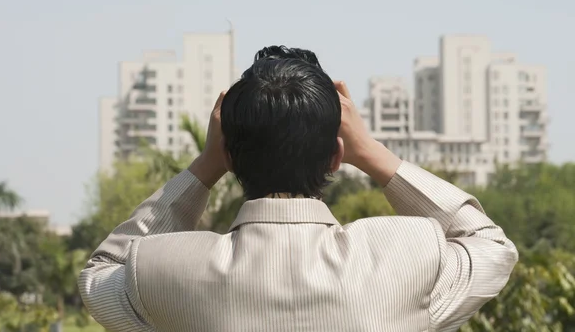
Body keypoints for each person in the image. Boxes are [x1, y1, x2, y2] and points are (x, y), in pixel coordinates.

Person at [79, 46, 518, 332]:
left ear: (230, 157)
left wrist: (205, 166)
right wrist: (372, 153)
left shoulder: (163, 267)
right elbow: (489, 245)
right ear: (335, 157)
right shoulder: (408, 253)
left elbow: (101, 273)